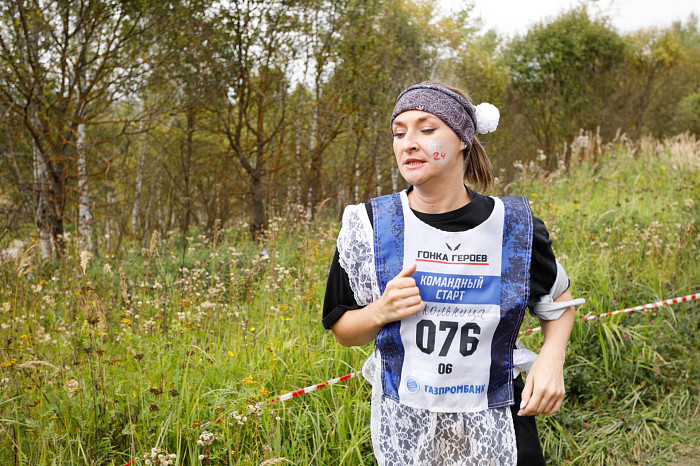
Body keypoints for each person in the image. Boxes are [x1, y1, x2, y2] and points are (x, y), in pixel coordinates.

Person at [322, 82, 584, 465]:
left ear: (462, 138)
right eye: (399, 133)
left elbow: (559, 301)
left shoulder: (512, 225)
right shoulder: (370, 226)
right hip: (409, 428)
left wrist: (550, 359)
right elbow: (343, 330)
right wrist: (381, 311)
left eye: (427, 129)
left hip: (499, 423)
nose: (409, 142)